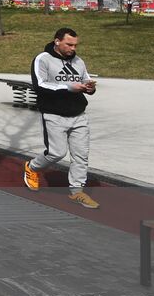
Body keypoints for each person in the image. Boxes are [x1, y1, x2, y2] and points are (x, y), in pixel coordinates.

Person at [23, 27, 100, 208]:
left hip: (78, 115)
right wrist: (68, 87)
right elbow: (40, 85)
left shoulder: (78, 61)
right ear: (57, 41)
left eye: (75, 45)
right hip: (54, 114)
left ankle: (77, 192)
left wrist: (90, 88)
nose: (73, 48)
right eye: (69, 44)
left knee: (81, 155)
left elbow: (86, 80)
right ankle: (32, 167)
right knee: (57, 153)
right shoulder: (43, 59)